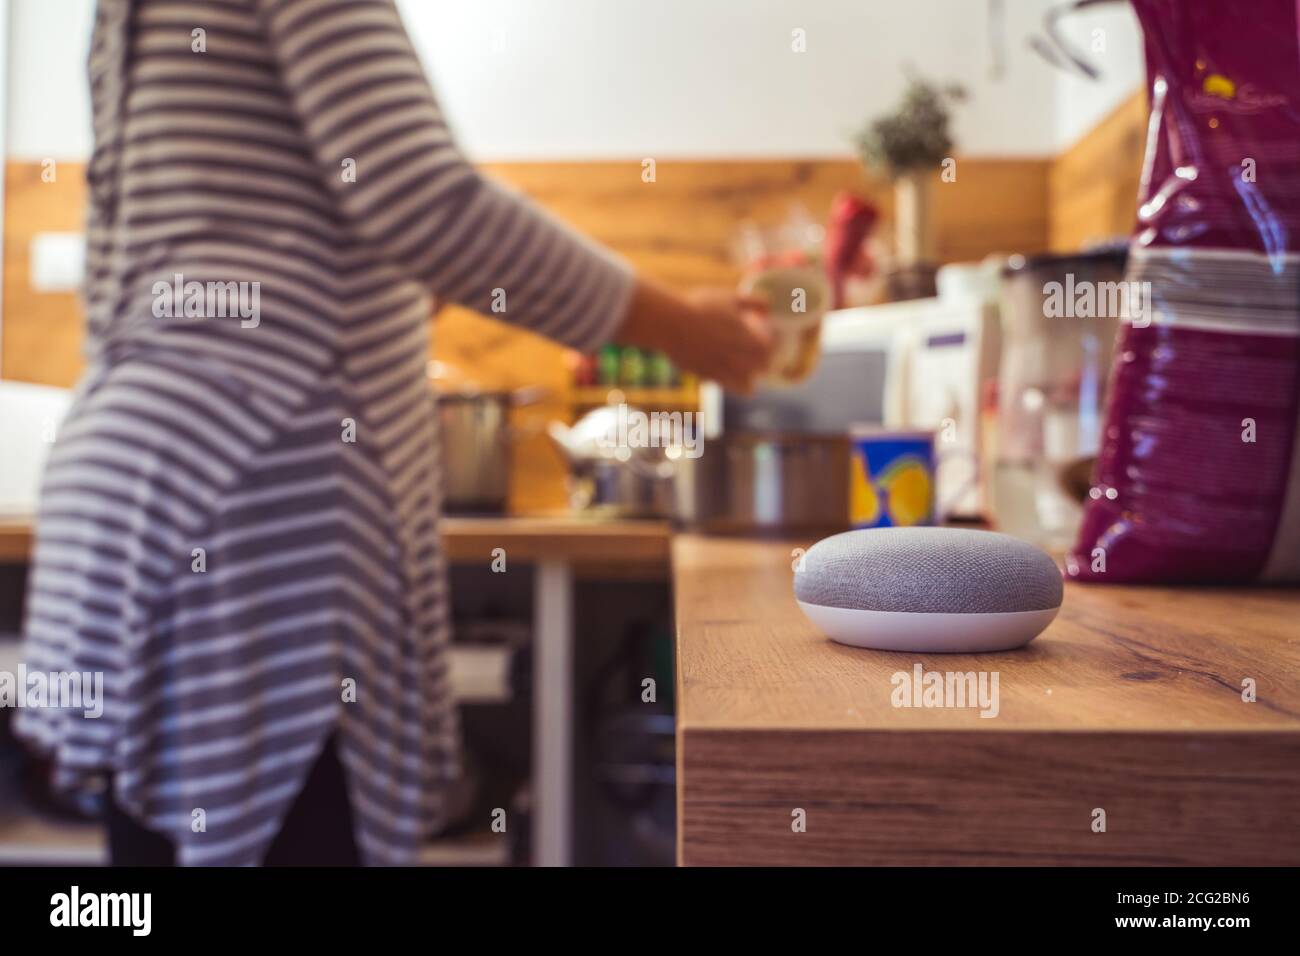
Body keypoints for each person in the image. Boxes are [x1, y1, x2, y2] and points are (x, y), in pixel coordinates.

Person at [17, 0, 772, 865]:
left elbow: (250, 234)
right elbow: (422, 199)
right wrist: (680, 325)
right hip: (256, 493)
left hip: (139, 486)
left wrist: (387, 294)